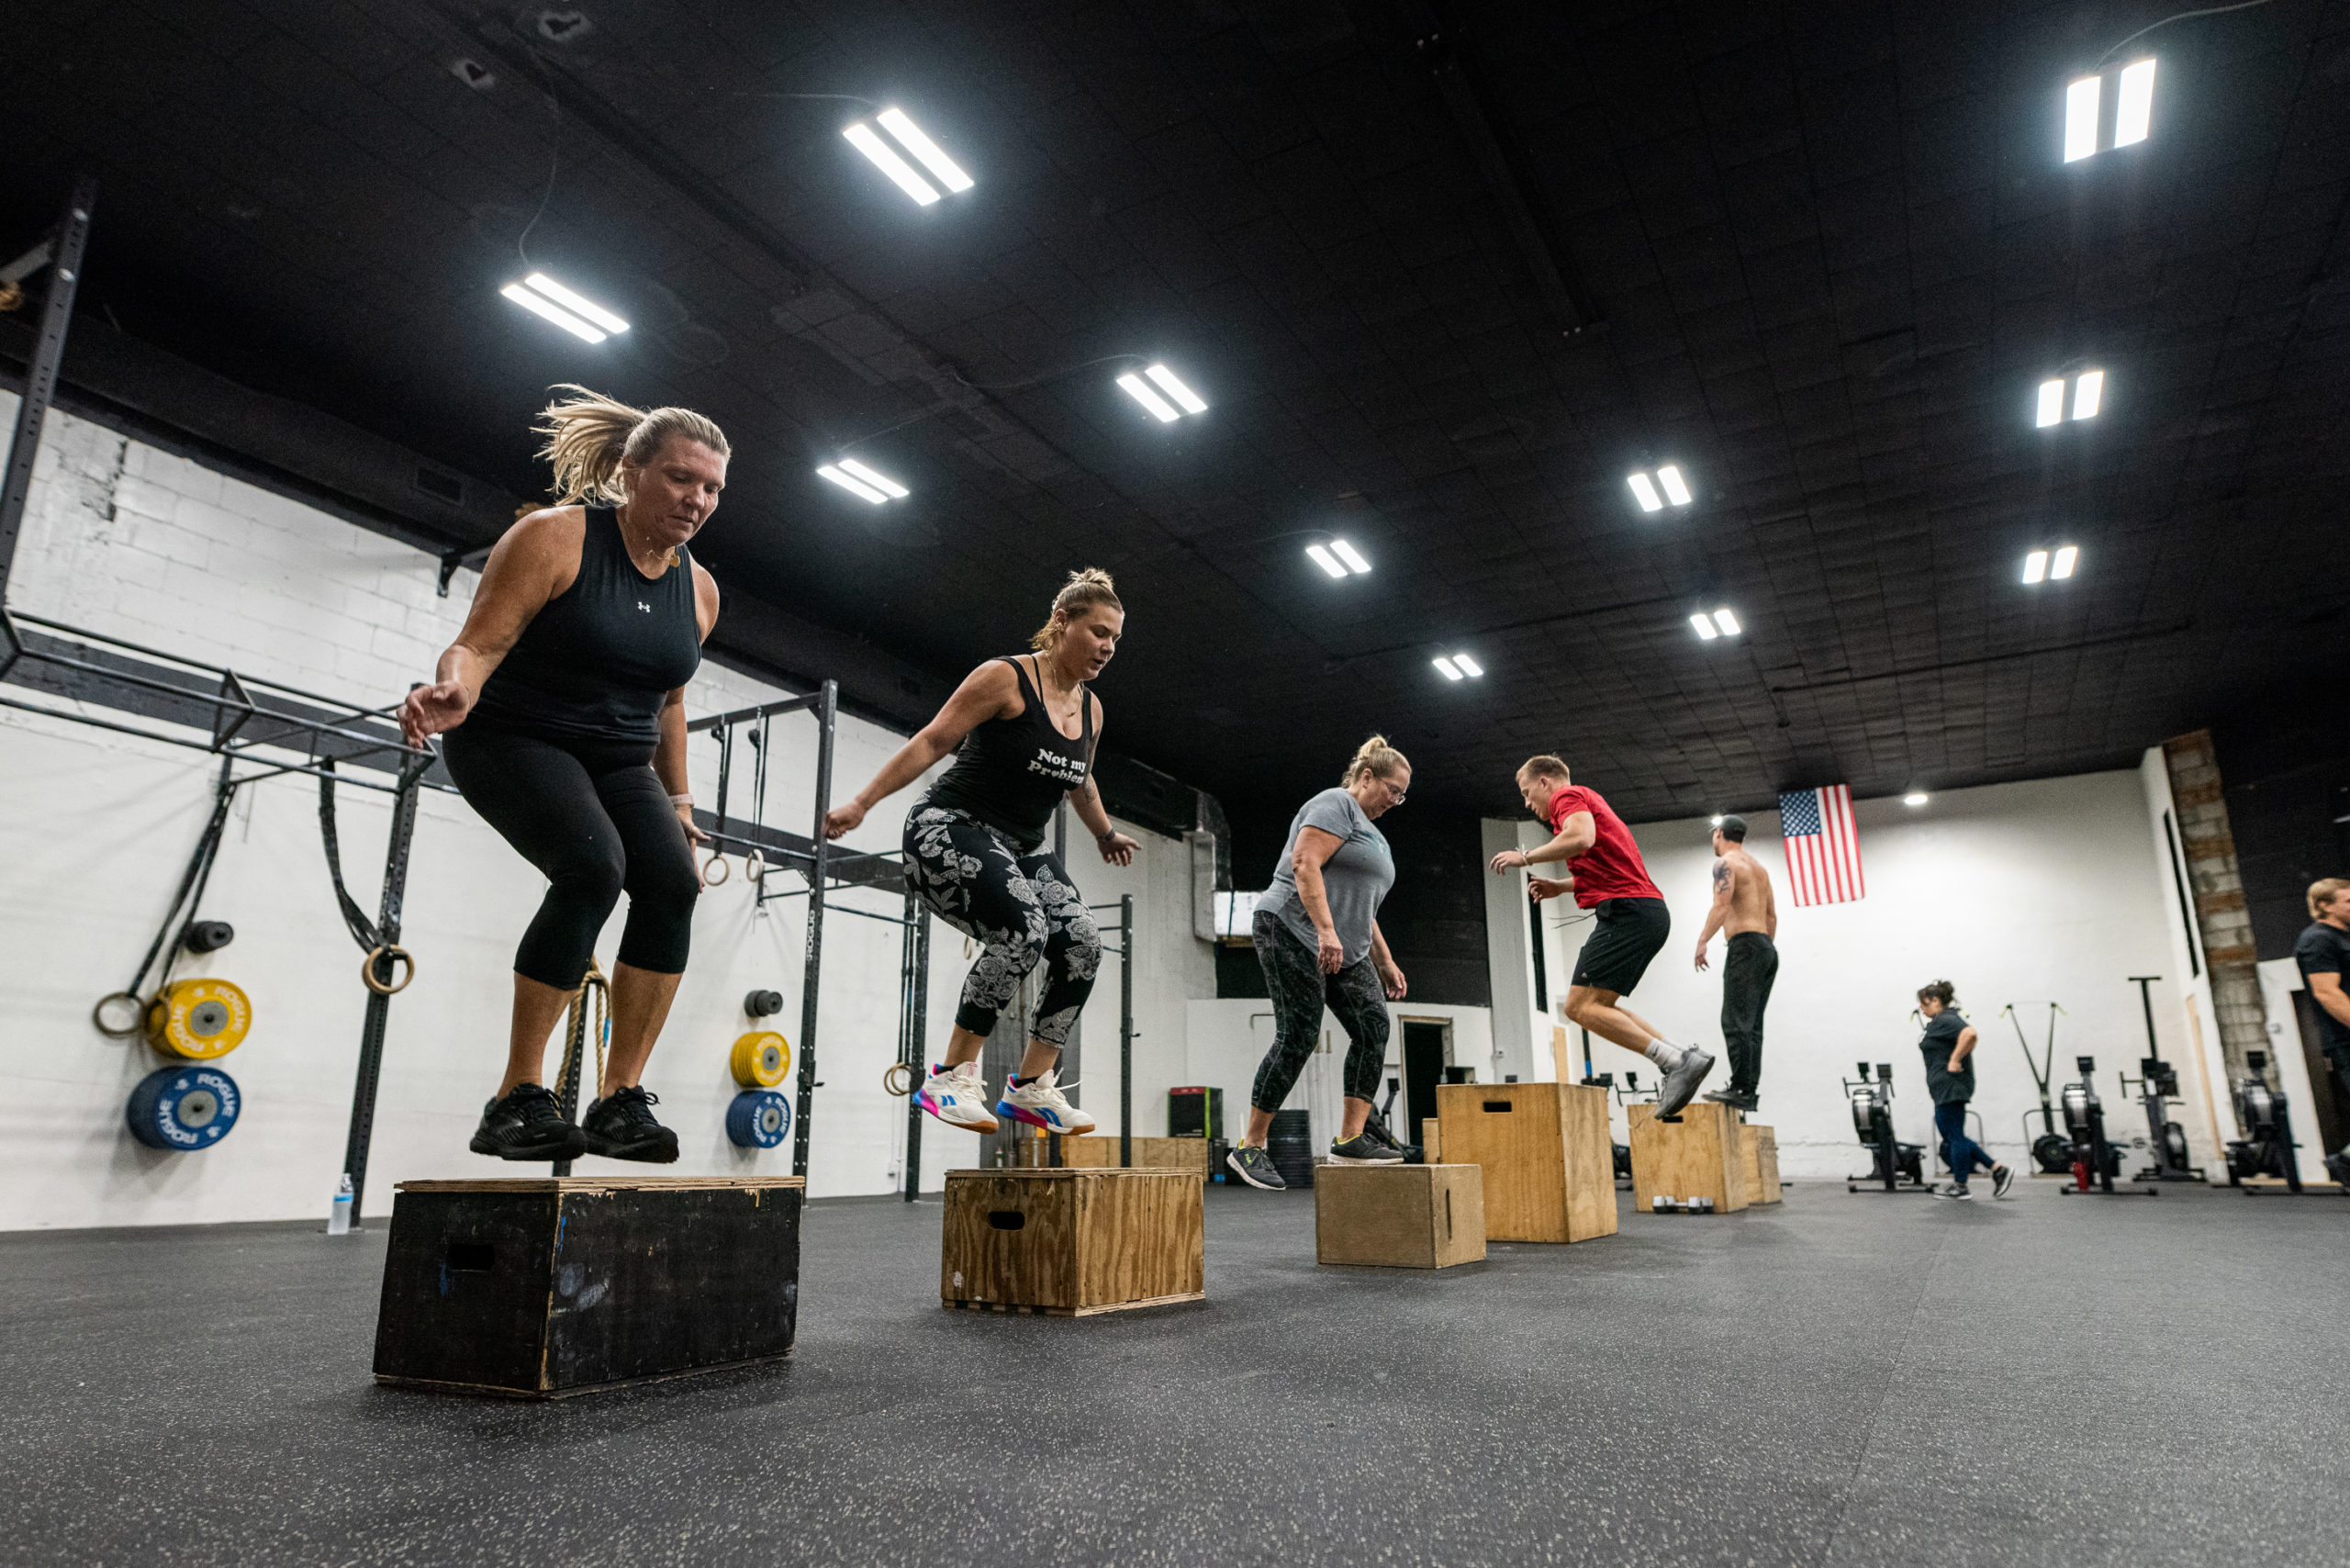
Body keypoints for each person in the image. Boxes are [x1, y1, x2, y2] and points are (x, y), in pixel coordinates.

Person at [401, 386, 724, 1163]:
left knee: (673, 884)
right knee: (592, 868)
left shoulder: (701, 590)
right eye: (682, 478)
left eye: (712, 487)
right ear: (633, 468)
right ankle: (517, 1096)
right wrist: (454, 690)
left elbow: (669, 703)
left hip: (616, 757)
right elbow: (478, 645)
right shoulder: (555, 537)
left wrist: (678, 799)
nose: (698, 499)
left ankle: (619, 1101)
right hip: (511, 736)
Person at [823, 570, 1139, 1138]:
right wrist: (862, 802)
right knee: (1023, 929)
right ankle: (949, 1076)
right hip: (949, 828)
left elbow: (1081, 782)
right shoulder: (1005, 678)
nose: (1108, 647)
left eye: (1115, 638)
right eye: (1098, 633)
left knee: (1086, 947)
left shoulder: (1091, 710)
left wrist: (1104, 833)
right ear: (1061, 623)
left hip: (1021, 846)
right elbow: (932, 740)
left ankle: (1031, 1090)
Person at [1226, 737, 1413, 1190]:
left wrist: (1385, 961)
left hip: (1345, 948)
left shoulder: (1376, 837)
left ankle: (1351, 1138)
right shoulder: (1335, 805)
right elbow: (1304, 863)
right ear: (1366, 776)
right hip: (1291, 927)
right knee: (1300, 1035)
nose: (1396, 800)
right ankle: (1250, 1146)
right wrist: (1326, 931)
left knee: (1374, 1028)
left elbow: (1363, 908)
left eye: (1403, 795)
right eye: (1392, 788)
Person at [1490, 756, 1715, 1114]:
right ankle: (1681, 1055)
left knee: (1578, 1007)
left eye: (1528, 793)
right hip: (1645, 913)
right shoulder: (1589, 804)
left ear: (1545, 782)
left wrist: (1526, 858)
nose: (1527, 803)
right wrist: (1559, 887)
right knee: (1599, 1006)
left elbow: (1581, 837)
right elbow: (1601, 865)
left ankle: (1674, 1062)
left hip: (1628, 914)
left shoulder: (1568, 798)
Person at [1693, 814, 1777, 1113]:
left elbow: (1722, 905)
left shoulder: (1725, 864)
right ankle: (1748, 1090)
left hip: (1745, 946)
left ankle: (1741, 1089)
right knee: (1752, 1025)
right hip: (1766, 948)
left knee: (1734, 1021)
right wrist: (1763, 946)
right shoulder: (1759, 869)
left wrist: (1703, 940)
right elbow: (1771, 917)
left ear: (1719, 834)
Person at [1915, 980, 2014, 1200]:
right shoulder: (1940, 1021)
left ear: (1935, 1000)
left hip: (1952, 1085)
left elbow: (1970, 1034)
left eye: (1923, 1003)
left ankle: (1961, 1185)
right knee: (1951, 1135)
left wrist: (1955, 1059)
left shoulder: (1947, 1018)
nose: (1921, 1008)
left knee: (1955, 1136)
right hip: (1943, 1088)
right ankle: (1998, 1169)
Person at [2291, 877, 2350, 1187]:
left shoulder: (2343, 937)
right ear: (2324, 906)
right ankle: (2344, 1161)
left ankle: (2345, 1160)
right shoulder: (2318, 939)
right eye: (2348, 902)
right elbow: (2327, 993)